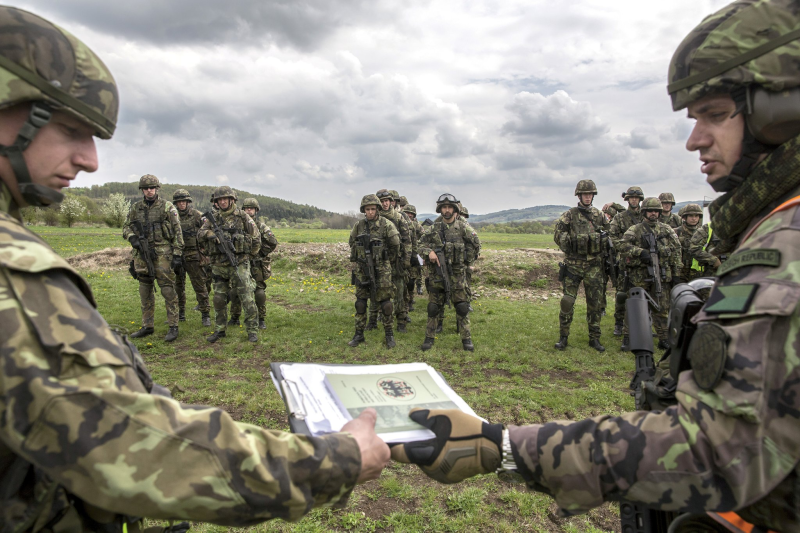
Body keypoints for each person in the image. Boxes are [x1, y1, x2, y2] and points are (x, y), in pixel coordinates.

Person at [393, 1, 800, 529]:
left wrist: (506, 445)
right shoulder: (768, 225)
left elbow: (723, 449)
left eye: (716, 113)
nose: (694, 139)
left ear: (780, 109)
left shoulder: (786, 243)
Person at [0, 6, 389, 531]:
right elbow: (127, 444)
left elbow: (256, 242)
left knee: (242, 298)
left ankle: (237, 325)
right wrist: (335, 460)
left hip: (234, 269)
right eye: (70, 128)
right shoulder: (14, 274)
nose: (90, 160)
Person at [122, 174, 184, 342]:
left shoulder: (167, 207)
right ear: (142, 190)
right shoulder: (136, 208)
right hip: (142, 254)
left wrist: (178, 255)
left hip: (163, 254)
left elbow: (178, 232)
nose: (149, 191)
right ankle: (147, 325)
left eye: (152, 188)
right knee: (145, 289)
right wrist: (132, 237)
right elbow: (126, 227)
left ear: (157, 189)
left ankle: (173, 326)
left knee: (167, 289)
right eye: (146, 188)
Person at [198, 186, 261, 343]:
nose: (223, 201)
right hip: (219, 265)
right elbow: (199, 234)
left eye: (226, 199)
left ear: (232, 200)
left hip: (238, 263)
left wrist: (247, 256)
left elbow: (256, 239)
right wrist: (210, 234)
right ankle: (220, 330)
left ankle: (252, 330)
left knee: (247, 297)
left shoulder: (243, 217)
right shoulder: (213, 218)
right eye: (220, 199)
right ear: (217, 202)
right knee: (219, 299)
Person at [618, 197, 681, 351]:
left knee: (662, 306)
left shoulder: (667, 230)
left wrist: (676, 273)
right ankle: (628, 337)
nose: (653, 214)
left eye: (656, 211)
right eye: (650, 211)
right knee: (634, 306)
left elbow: (677, 251)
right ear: (644, 212)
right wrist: (640, 252)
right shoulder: (635, 229)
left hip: (662, 274)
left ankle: (663, 338)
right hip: (639, 275)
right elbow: (622, 245)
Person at [418, 194, 480, 352]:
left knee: (462, 307)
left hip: (458, 274)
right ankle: (429, 338)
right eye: (444, 207)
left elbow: (476, 244)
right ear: (440, 209)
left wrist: (467, 262)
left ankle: (466, 339)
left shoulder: (463, 227)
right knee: (433, 307)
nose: (447, 210)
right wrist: (429, 252)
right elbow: (419, 245)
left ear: (454, 209)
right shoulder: (434, 228)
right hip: (438, 274)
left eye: (449, 207)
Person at [553, 180, 609, 352]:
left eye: (590, 194)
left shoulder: (599, 216)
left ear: (593, 196)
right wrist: (570, 242)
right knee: (567, 301)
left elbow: (609, 236)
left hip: (594, 265)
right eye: (585, 194)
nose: (587, 196)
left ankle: (594, 338)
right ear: (579, 195)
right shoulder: (569, 215)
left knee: (595, 303)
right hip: (573, 265)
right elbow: (558, 234)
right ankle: (563, 337)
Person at [347, 194, 400, 348]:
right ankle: (359, 334)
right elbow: (352, 242)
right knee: (361, 303)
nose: (370, 212)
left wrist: (385, 259)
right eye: (367, 209)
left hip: (382, 269)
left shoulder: (387, 225)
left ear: (377, 209)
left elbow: (395, 246)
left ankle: (389, 334)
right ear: (364, 210)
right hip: (363, 268)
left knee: (385, 304)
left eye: (372, 209)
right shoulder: (359, 226)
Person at [367, 189, 412, 333]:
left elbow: (407, 241)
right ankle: (375, 318)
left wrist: (406, 260)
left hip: (396, 261)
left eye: (387, 200)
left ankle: (401, 321)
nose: (385, 203)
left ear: (391, 202)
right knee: (377, 290)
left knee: (399, 292)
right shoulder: (374, 220)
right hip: (378, 261)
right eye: (382, 201)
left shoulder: (399, 218)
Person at [229, 198, 278, 330]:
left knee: (259, 291)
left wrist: (260, 254)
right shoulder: (237, 225)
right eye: (246, 208)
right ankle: (234, 317)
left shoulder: (261, 226)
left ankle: (261, 318)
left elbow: (272, 242)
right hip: (240, 262)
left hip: (256, 264)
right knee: (235, 290)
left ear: (256, 210)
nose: (248, 210)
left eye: (251, 208)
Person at [608, 186, 645, 336]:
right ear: (628, 199)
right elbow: (613, 237)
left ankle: (641, 322)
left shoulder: (646, 216)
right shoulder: (620, 217)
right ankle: (619, 323)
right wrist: (627, 249)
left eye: (636, 198)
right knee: (622, 294)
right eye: (631, 198)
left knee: (643, 293)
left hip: (643, 262)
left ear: (640, 199)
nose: (634, 200)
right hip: (625, 261)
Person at [172, 188, 211, 327]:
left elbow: (207, 230)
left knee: (200, 285)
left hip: (194, 255)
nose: (182, 204)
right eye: (179, 202)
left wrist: (204, 250)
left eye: (184, 201)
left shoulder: (197, 215)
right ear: (176, 203)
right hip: (177, 255)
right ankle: (180, 313)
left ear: (188, 202)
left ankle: (205, 314)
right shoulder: (172, 215)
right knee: (178, 286)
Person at [674, 203, 704, 283]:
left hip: (698, 273)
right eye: (691, 216)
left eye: (696, 216)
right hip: (681, 273)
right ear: (685, 217)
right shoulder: (675, 232)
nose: (694, 218)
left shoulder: (704, 232)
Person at [403, 203, 424, 311]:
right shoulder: (400, 223)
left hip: (413, 256)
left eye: (411, 213)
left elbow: (424, 236)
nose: (409, 215)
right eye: (407, 212)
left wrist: (418, 253)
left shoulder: (417, 225)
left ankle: (410, 301)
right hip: (402, 256)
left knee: (411, 281)